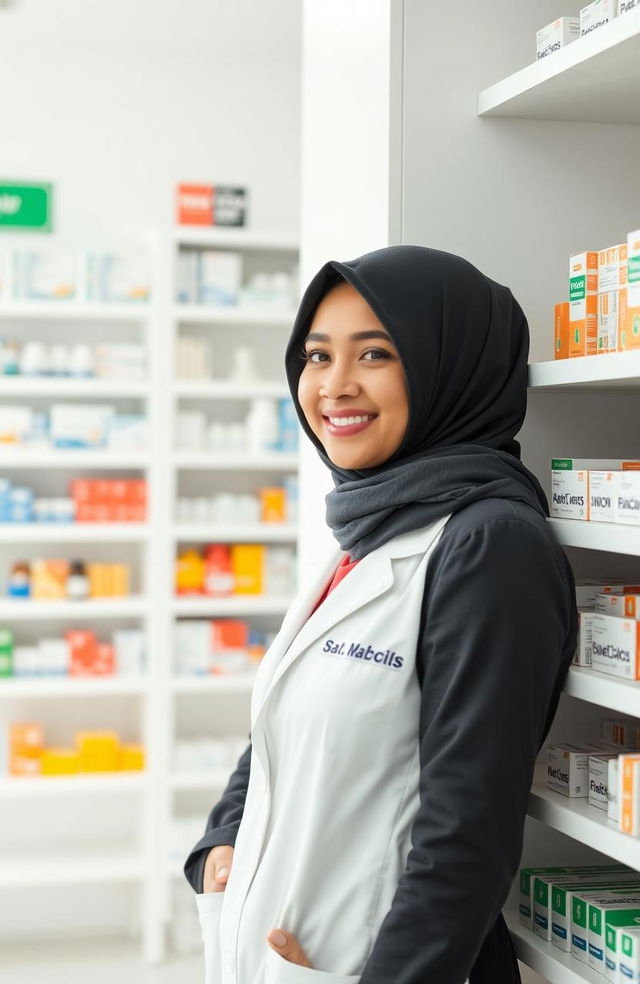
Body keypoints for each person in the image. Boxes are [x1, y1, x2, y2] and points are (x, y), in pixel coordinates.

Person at [183, 244, 578, 984]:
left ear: (447, 365)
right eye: (315, 355)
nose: (333, 386)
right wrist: (221, 842)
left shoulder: (491, 546)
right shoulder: (376, 525)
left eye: (374, 354)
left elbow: (467, 834)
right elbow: (283, 721)